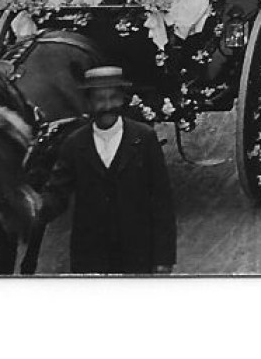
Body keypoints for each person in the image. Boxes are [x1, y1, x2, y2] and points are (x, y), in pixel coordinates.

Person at [38, 66, 176, 275]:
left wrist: (163, 259)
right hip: (91, 258)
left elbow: (162, 202)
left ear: (122, 99)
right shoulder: (74, 144)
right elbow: (57, 194)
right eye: (99, 100)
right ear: (88, 103)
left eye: (113, 98)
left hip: (136, 255)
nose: (107, 106)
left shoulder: (143, 138)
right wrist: (28, 208)